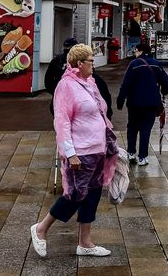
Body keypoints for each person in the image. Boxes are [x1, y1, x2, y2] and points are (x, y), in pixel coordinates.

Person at [31, 44, 117, 258]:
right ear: (79, 63)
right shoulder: (66, 86)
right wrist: (70, 153)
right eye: (91, 61)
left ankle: (85, 243)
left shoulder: (90, 83)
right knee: (75, 194)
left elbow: (101, 114)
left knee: (92, 195)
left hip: (98, 149)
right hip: (80, 151)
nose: (93, 65)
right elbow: (62, 122)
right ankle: (41, 228)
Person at [116, 43, 168, 166]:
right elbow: (166, 83)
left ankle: (131, 153)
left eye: (136, 51)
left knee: (132, 127)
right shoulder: (156, 64)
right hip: (151, 103)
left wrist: (120, 100)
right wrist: (163, 92)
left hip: (134, 103)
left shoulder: (134, 65)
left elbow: (125, 84)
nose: (135, 54)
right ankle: (142, 157)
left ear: (140, 52)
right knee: (146, 128)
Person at [45, 37, 112, 120]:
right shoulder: (84, 65)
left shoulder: (56, 61)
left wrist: (57, 92)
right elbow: (102, 92)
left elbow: (48, 81)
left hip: (63, 104)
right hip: (83, 108)